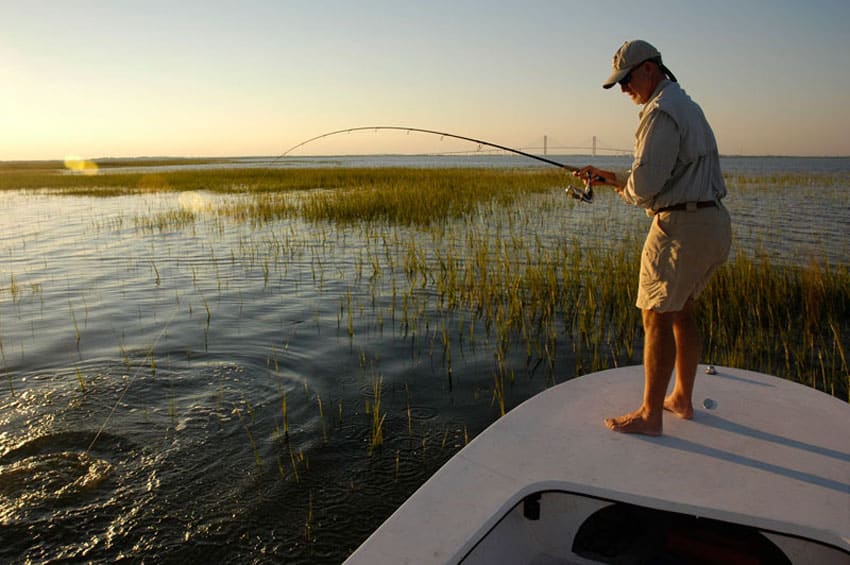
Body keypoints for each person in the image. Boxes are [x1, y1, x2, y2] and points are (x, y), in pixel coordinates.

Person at [575, 40, 731, 436]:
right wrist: (610, 179)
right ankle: (680, 398)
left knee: (655, 317)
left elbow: (645, 188)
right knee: (681, 312)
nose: (624, 89)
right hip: (711, 223)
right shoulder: (687, 106)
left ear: (649, 69)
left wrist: (623, 187)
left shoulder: (660, 113)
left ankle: (650, 415)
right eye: (619, 84)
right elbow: (665, 178)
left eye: (626, 79)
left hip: (680, 229)